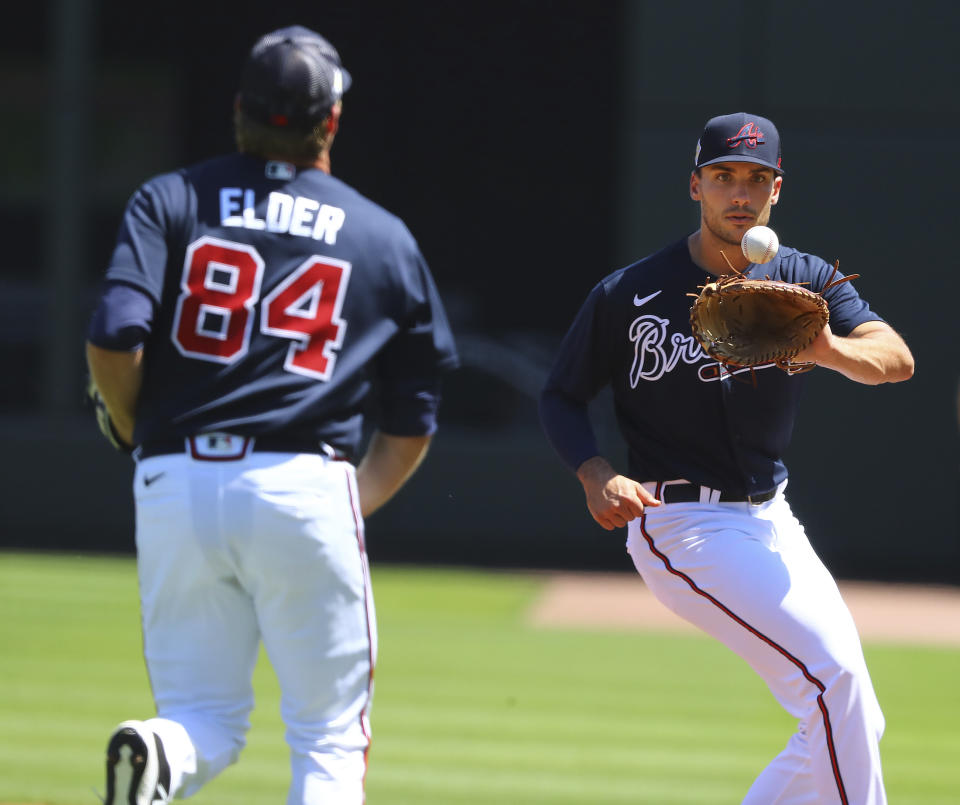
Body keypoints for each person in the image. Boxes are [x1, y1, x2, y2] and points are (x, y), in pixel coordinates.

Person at [85, 25, 458, 804]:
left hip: (174, 478)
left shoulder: (171, 198)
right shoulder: (382, 236)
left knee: (201, 719)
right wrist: (343, 506)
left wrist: (129, 426)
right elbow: (413, 417)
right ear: (332, 120)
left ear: (239, 110)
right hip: (305, 478)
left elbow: (115, 335)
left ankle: (158, 752)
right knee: (327, 740)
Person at [539, 112, 914, 804]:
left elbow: (896, 359)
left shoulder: (803, 279)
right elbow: (560, 395)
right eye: (723, 177)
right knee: (836, 687)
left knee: (854, 707)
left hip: (772, 517)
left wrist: (827, 349)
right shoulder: (630, 293)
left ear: (778, 189)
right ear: (695, 185)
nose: (739, 193)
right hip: (681, 521)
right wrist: (596, 472)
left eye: (755, 179)